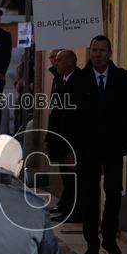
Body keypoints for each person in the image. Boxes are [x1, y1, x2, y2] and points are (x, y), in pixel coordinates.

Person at [67, 35, 127, 254]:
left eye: (101, 50)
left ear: (110, 52)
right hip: (87, 149)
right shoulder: (79, 80)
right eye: (94, 50)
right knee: (89, 195)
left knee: (113, 193)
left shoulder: (122, 78)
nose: (97, 54)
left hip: (113, 147)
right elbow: (70, 117)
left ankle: (109, 239)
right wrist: (71, 147)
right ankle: (92, 244)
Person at [46, 50, 78, 221]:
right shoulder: (62, 79)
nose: (55, 63)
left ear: (69, 62)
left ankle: (73, 211)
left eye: (59, 60)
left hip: (69, 141)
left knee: (72, 178)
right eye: (54, 60)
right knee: (66, 176)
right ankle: (66, 207)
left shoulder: (76, 81)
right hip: (59, 138)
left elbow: (71, 117)